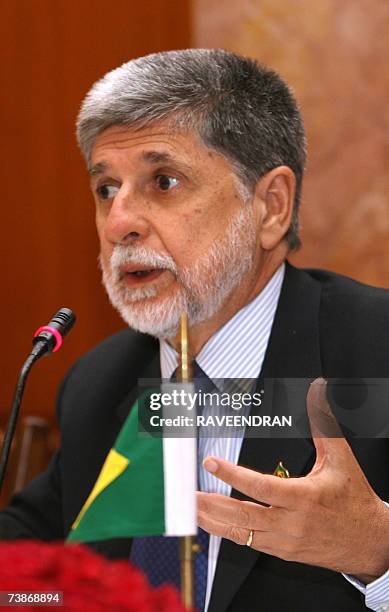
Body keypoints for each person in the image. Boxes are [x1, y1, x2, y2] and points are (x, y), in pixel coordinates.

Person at [1, 49, 388, 611]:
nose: (119, 223)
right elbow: (30, 571)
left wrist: (378, 550)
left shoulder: (377, 348)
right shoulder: (98, 382)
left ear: (271, 207)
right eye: (106, 188)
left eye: (164, 181)